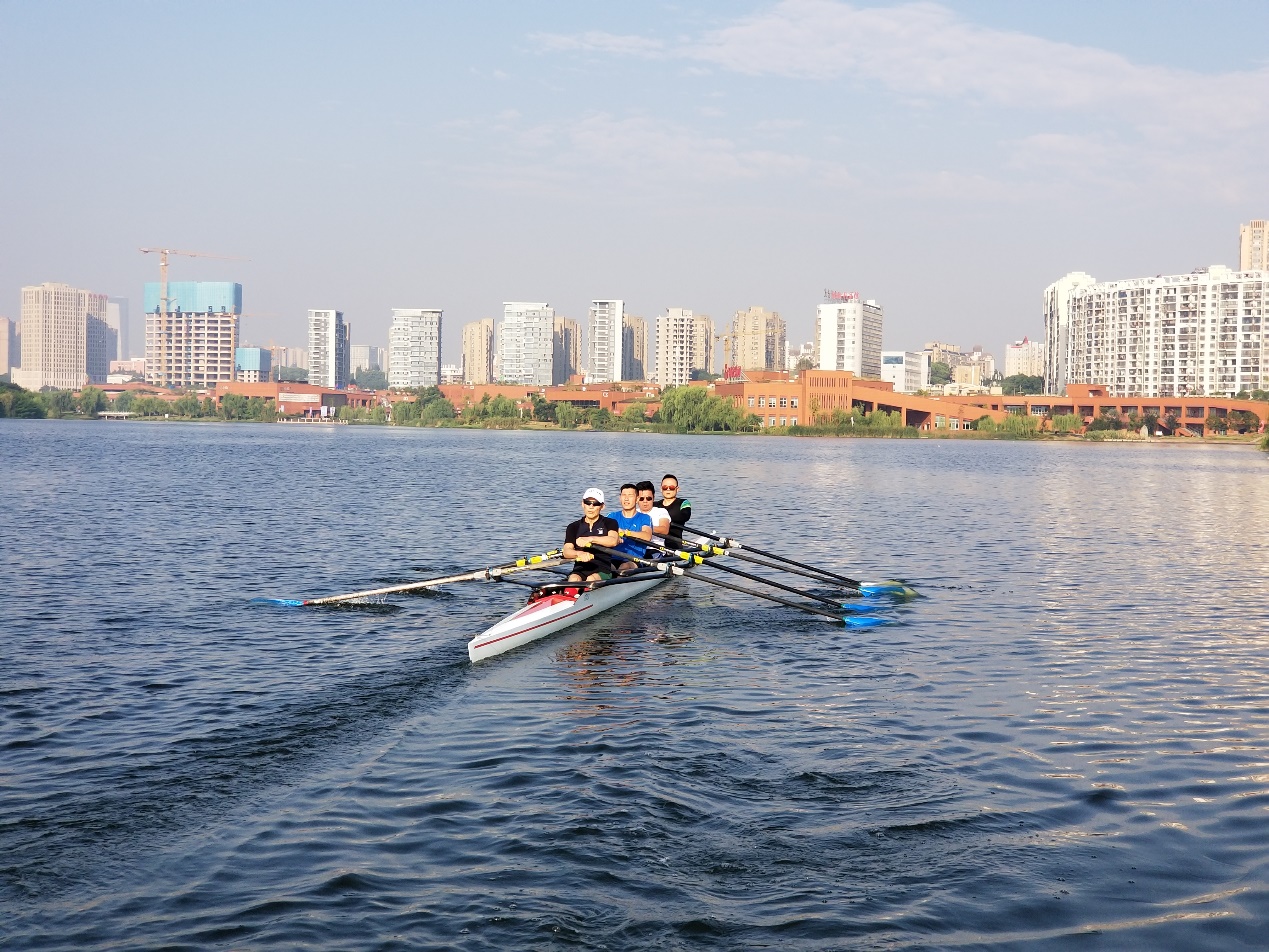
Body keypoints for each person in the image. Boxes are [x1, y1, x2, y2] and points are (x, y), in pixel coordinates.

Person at [563, 488, 620, 582]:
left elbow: (613, 541)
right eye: (587, 502)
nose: (591, 506)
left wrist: (590, 539)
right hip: (580, 569)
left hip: (603, 569)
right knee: (573, 579)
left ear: (602, 506)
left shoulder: (610, 523)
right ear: (582, 504)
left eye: (595, 503)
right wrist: (579, 553)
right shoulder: (573, 527)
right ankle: (571, 595)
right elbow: (566, 551)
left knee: (591, 579)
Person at [609, 483, 653, 571]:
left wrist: (626, 533)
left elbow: (647, 536)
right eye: (624, 495)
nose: (626, 498)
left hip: (634, 560)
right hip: (613, 558)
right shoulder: (612, 516)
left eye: (630, 495)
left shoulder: (644, 518)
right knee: (605, 567)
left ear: (637, 499)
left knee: (624, 567)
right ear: (620, 498)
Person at [635, 480, 671, 547]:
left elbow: (664, 530)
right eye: (641, 499)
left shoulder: (661, 511)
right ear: (636, 499)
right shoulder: (633, 512)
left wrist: (644, 529)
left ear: (653, 498)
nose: (645, 501)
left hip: (654, 548)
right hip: (636, 549)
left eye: (648, 498)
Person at [656, 473, 692, 539]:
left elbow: (685, 516)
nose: (668, 489)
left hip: (674, 544)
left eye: (672, 487)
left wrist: (665, 520)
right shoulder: (654, 505)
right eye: (665, 487)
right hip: (654, 543)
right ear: (661, 489)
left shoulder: (684, 503)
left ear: (677, 489)